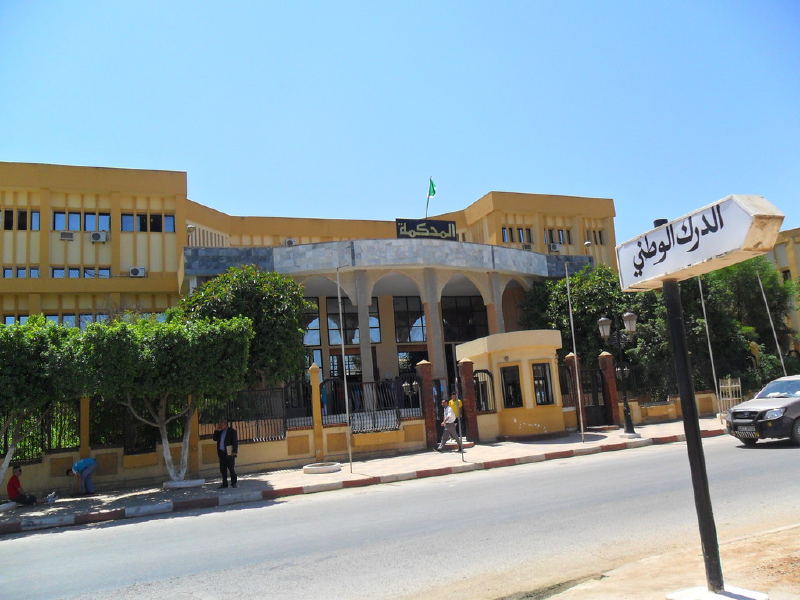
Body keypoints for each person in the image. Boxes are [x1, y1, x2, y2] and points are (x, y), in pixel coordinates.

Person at [213, 419, 238, 488]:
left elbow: (235, 442)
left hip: (229, 453)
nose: (220, 425)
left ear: (226, 424)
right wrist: (216, 430)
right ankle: (225, 484)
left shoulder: (232, 431)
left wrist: (234, 452)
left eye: (222, 424)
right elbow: (214, 439)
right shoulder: (220, 431)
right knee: (223, 469)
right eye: (220, 424)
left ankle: (234, 483)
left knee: (231, 468)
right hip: (221, 452)